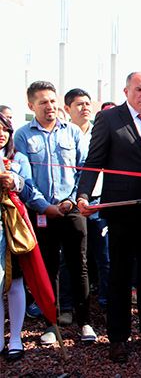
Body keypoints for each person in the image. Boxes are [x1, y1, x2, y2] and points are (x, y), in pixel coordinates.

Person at [76, 72, 141, 363]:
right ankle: (118, 337)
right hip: (120, 210)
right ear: (126, 90)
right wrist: (82, 196)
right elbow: (94, 162)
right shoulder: (108, 119)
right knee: (119, 274)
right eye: (139, 89)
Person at [14, 81, 96, 345]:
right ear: (31, 106)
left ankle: (85, 321)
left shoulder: (72, 132)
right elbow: (24, 177)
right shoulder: (23, 135)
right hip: (42, 212)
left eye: (51, 101)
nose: (49, 107)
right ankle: (52, 322)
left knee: (79, 266)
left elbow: (84, 168)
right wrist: (43, 206)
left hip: (72, 209)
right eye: (42, 102)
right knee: (48, 268)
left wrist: (74, 200)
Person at [0, 112, 42, 362]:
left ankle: (16, 336)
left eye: (4, 128)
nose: (1, 134)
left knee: (15, 281)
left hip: (12, 227)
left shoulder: (19, 159)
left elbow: (29, 190)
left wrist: (14, 181)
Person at [64, 88, 110, 311]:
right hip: (72, 203)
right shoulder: (63, 134)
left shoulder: (101, 130)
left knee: (105, 256)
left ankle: (106, 303)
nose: (85, 108)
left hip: (100, 200)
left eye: (87, 103)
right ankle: (69, 304)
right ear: (67, 109)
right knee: (73, 257)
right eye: (79, 104)